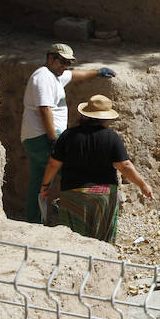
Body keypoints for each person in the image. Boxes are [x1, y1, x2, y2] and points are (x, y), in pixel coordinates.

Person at [21, 43, 116, 224]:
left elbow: (74, 75)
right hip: (43, 137)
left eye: (68, 63)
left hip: (35, 138)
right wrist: (53, 140)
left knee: (39, 181)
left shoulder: (55, 75)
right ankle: (77, 213)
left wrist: (97, 72)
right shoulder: (43, 77)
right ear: (50, 58)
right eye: (62, 62)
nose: (65, 67)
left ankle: (34, 221)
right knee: (74, 173)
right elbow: (44, 110)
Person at [40, 94, 153, 242]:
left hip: (74, 195)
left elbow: (53, 164)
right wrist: (143, 185)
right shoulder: (111, 137)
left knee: (75, 240)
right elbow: (124, 166)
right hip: (104, 196)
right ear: (106, 118)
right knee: (102, 241)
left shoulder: (68, 136)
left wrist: (45, 185)